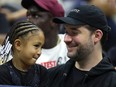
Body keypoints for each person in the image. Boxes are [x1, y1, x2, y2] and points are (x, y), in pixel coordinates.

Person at [48, 5, 116, 87]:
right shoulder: (53, 75)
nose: (66, 39)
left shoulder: (111, 81)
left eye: (74, 32)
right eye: (66, 32)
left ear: (97, 36)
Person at [21, 0, 69, 69]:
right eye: (28, 15)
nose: (28, 21)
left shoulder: (69, 44)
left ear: (54, 21)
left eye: (36, 16)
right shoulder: (20, 51)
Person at [0, 20, 48, 87]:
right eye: (36, 46)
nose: (40, 52)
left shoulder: (42, 72)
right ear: (18, 45)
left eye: (41, 47)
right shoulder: (3, 73)